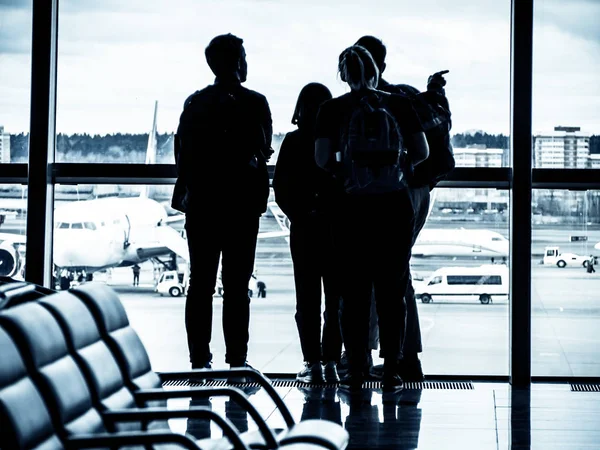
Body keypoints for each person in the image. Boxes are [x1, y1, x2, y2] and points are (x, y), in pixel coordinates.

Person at [315, 44, 429, 391]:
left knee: (354, 292)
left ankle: (358, 366)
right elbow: (422, 152)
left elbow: (321, 159)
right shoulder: (399, 104)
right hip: (393, 207)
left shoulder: (332, 109)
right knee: (392, 290)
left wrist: (346, 175)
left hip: (351, 209)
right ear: (376, 71)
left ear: (343, 75)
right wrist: (399, 169)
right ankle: (392, 368)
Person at [354, 35, 454, 382]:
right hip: (409, 192)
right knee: (397, 275)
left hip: (376, 197)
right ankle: (403, 357)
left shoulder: (356, 105)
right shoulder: (404, 98)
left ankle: (362, 357)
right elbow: (428, 142)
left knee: (365, 276)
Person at [174, 33, 273, 377]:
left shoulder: (195, 103)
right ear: (237, 62)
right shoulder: (256, 103)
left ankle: (199, 358)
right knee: (236, 287)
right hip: (242, 206)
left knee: (200, 284)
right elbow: (263, 151)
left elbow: (183, 155)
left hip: (203, 204)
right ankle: (236, 359)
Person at [273, 82, 342, 384]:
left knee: (307, 300)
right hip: (335, 228)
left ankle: (311, 361)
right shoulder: (338, 140)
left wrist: (300, 214)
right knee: (336, 300)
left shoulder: (292, 141)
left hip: (304, 229)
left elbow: (281, 189)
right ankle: (331, 362)